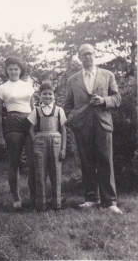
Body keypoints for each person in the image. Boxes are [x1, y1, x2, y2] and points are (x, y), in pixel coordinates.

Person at [64, 44, 123, 214]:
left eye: (90, 53)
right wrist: (73, 120)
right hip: (82, 125)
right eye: (84, 54)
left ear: (94, 55)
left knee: (106, 161)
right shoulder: (73, 80)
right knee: (86, 161)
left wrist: (104, 101)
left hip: (102, 122)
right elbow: (68, 105)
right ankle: (91, 199)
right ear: (79, 57)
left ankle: (110, 202)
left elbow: (117, 98)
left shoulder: (107, 75)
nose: (87, 57)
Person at [0, 57, 35, 209]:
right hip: (12, 122)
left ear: (20, 70)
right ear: (6, 70)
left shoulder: (28, 86)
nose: (13, 71)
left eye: (16, 69)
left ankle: (35, 196)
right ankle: (17, 199)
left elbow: (33, 108)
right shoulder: (2, 88)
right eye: (10, 69)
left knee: (33, 161)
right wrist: (0, 136)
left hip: (29, 121)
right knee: (14, 162)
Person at [27, 81, 67, 211]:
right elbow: (31, 129)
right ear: (40, 96)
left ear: (54, 96)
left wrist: (63, 149)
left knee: (56, 173)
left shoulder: (59, 110)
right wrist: (35, 141)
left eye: (50, 94)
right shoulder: (36, 111)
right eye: (44, 94)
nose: (47, 97)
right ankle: (41, 205)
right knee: (40, 173)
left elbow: (64, 130)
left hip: (56, 142)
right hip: (41, 143)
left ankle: (57, 205)